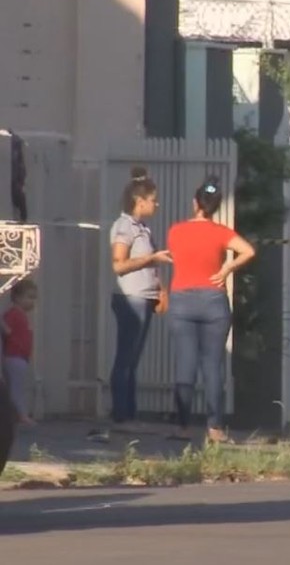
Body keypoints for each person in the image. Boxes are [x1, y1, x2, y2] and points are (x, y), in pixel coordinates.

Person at [166, 176, 256, 443]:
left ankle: (182, 426)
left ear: (195, 203)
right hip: (213, 301)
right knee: (212, 366)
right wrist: (227, 268)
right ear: (216, 207)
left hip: (182, 299)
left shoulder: (176, 231)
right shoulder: (221, 232)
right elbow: (248, 251)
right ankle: (215, 428)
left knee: (185, 364)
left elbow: (178, 256)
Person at [107, 167, 171, 430]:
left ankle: (130, 414)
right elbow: (119, 265)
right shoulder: (125, 227)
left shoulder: (143, 228)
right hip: (130, 299)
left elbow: (151, 266)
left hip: (144, 297)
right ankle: (121, 414)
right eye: (153, 199)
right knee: (125, 357)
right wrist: (151, 258)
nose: (156, 204)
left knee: (133, 359)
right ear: (139, 201)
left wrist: (161, 290)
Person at [2, 279, 39, 425]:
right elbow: (7, 330)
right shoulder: (14, 314)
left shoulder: (20, 315)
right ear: (17, 298)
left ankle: (16, 414)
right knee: (16, 388)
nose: (32, 301)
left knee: (17, 387)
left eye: (34, 298)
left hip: (20, 357)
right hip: (14, 355)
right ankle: (20, 415)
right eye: (29, 297)